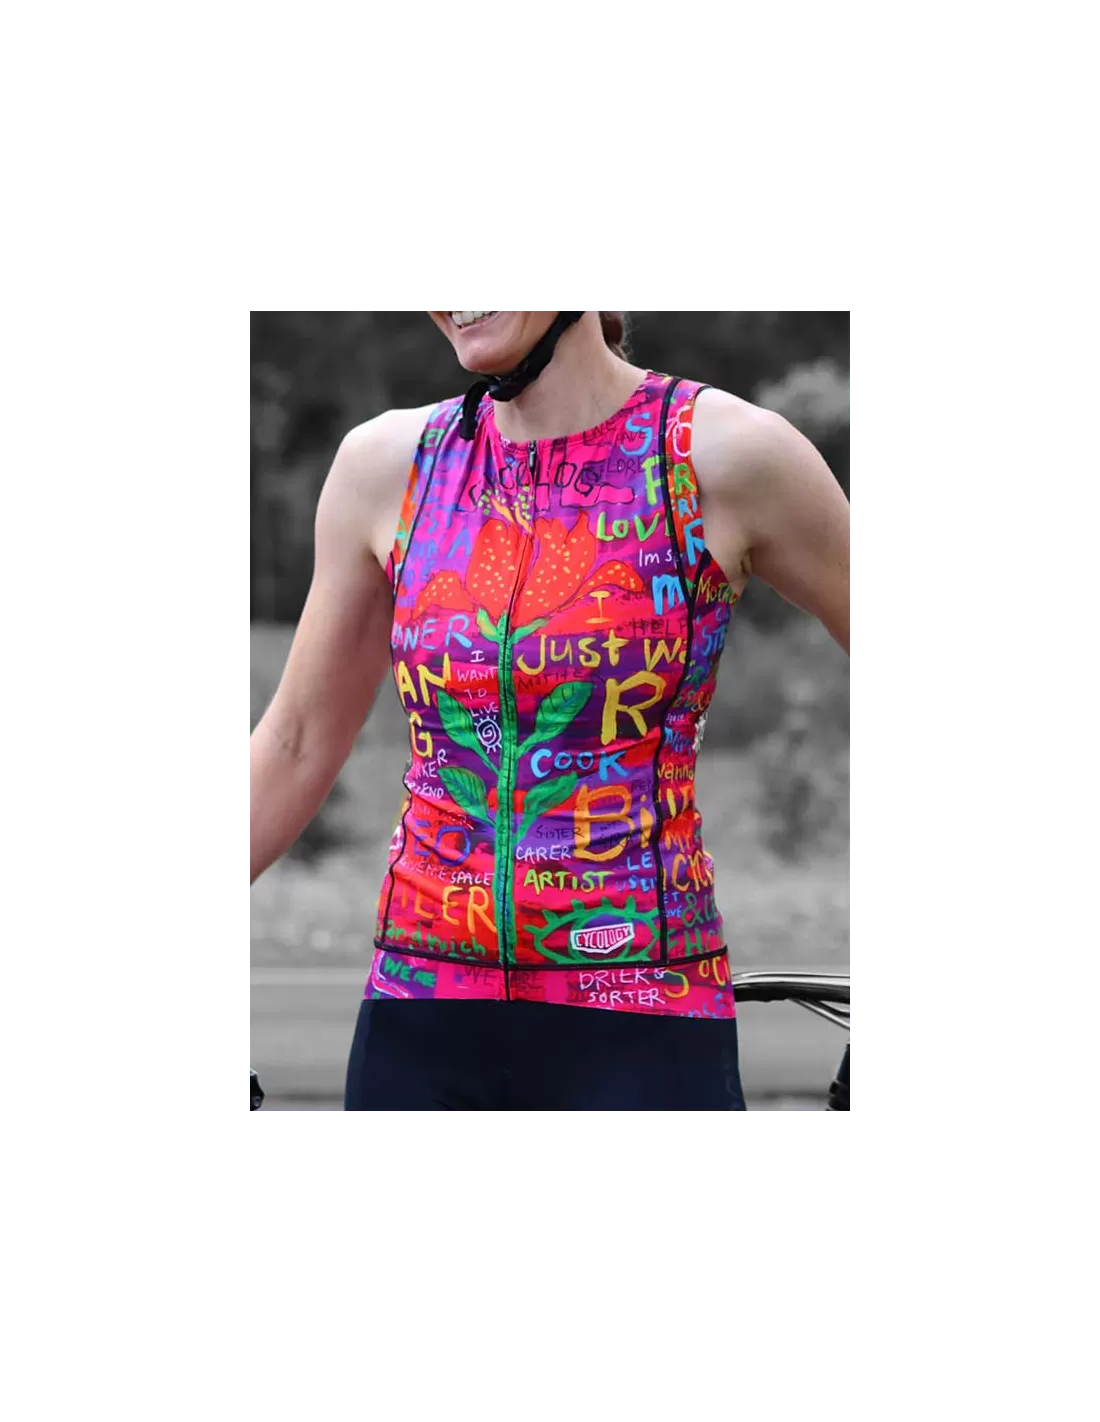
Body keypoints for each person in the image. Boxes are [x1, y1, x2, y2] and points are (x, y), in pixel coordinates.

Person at [250, 312, 850, 1110]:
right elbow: (295, 740)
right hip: (420, 1015)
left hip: (645, 1016)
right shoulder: (386, 466)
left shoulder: (725, 453)